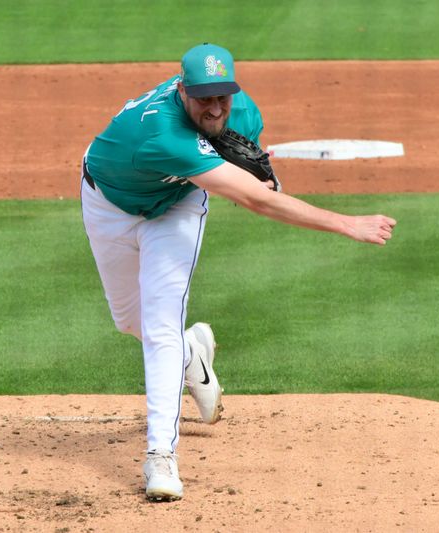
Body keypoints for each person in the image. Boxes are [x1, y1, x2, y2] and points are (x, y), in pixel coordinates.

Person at [80, 43, 396, 502]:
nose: (215, 108)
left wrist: (261, 180)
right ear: (182, 88)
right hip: (109, 203)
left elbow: (260, 178)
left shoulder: (242, 111)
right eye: (203, 98)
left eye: (222, 96)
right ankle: (194, 353)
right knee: (132, 322)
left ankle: (160, 457)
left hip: (176, 206)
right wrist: (347, 223)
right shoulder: (164, 134)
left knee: (161, 323)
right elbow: (257, 200)